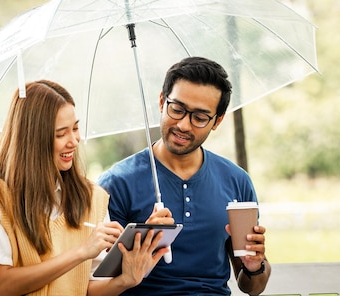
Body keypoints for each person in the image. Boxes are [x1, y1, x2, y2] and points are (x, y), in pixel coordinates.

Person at [0, 80, 169, 296]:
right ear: (32, 139)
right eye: (61, 134)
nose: (74, 141)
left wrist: (126, 279)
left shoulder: (91, 198)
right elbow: (2, 286)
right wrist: (81, 251)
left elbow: (87, 289)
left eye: (75, 128)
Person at [98, 57, 271, 295]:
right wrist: (142, 241)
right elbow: (100, 284)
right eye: (177, 109)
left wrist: (254, 267)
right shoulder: (115, 183)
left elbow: (252, 287)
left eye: (199, 118)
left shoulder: (236, 181)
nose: (183, 125)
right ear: (162, 101)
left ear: (217, 121)